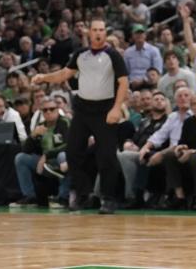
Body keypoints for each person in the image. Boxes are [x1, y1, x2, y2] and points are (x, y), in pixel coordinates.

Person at [31, 19, 129, 214]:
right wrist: (44, 78)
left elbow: (124, 82)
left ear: (105, 32)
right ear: (89, 33)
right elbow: (63, 75)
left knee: (107, 156)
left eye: (102, 29)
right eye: (95, 30)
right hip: (83, 109)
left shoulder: (113, 55)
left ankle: (109, 199)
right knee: (73, 152)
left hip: (105, 109)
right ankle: (84, 193)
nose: (98, 33)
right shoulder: (80, 54)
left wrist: (117, 108)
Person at [12, 99, 71, 207]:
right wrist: (33, 136)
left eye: (52, 109)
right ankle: (30, 197)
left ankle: (63, 197)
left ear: (58, 110)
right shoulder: (40, 126)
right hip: (44, 164)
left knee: (63, 156)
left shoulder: (65, 122)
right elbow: (26, 150)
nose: (48, 112)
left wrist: (46, 155)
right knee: (20, 158)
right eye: (45, 110)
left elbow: (69, 145)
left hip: (60, 161)